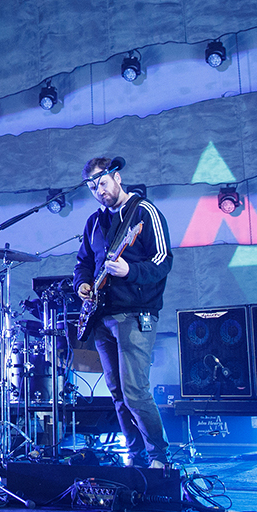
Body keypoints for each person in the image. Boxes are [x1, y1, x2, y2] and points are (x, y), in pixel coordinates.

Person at [73, 156, 172, 469]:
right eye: (92, 187)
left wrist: (130, 270)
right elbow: (83, 262)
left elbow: (163, 260)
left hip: (135, 313)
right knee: (116, 392)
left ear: (117, 177)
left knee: (134, 391)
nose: (99, 191)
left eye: (102, 183)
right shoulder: (94, 222)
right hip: (102, 315)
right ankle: (136, 457)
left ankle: (159, 458)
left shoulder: (144, 212)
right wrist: (82, 285)